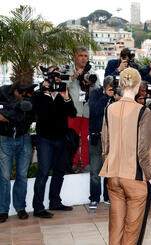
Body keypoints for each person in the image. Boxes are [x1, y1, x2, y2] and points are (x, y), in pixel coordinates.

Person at [99, 68, 151, 245]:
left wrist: (108, 164)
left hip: (113, 177)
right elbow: (143, 151)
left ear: (121, 85)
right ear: (138, 86)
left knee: (115, 231)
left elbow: (105, 143)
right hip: (134, 178)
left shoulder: (109, 109)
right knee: (132, 234)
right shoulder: (143, 111)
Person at [32, 68, 78, 218]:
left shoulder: (62, 94)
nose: (58, 80)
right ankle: (38, 207)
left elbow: (72, 113)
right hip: (44, 139)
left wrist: (65, 97)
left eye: (59, 77)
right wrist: (44, 93)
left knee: (59, 171)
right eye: (55, 77)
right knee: (43, 172)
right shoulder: (39, 95)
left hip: (61, 138)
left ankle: (55, 202)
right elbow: (35, 112)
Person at [0, 82, 35, 223]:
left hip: (24, 138)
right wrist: (15, 113)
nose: (25, 96)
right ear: (15, 91)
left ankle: (20, 208)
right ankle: (3, 210)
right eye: (22, 94)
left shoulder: (29, 96)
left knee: (22, 176)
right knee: (4, 177)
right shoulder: (2, 93)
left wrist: (7, 115)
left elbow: (27, 117)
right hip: (5, 139)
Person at [68, 47, 101, 172]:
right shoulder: (69, 70)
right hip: (73, 111)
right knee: (72, 138)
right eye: (81, 55)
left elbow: (99, 89)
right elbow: (62, 86)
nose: (83, 58)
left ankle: (86, 163)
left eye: (86, 56)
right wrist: (73, 77)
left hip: (87, 111)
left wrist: (91, 84)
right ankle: (73, 162)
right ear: (75, 57)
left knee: (86, 138)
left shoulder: (91, 72)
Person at [87, 76, 116, 209]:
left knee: (109, 170)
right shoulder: (95, 94)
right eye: (110, 88)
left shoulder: (117, 96)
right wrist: (106, 96)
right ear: (104, 87)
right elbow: (95, 110)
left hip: (111, 138)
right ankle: (94, 198)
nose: (112, 91)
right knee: (95, 170)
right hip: (96, 138)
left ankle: (108, 196)